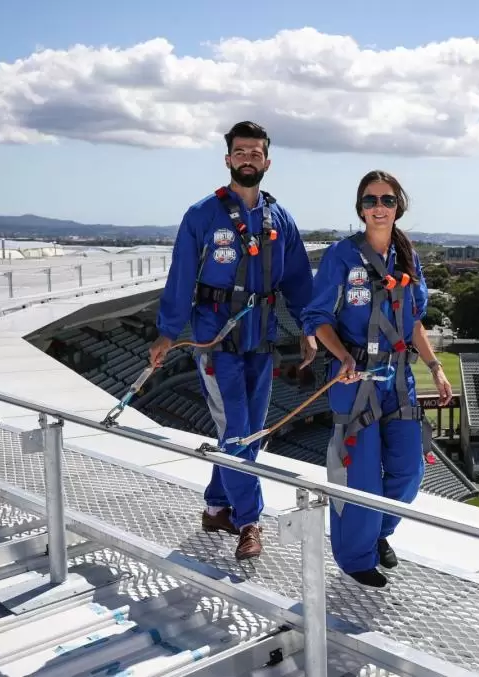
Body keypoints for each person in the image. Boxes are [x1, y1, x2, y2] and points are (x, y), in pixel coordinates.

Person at [149, 121, 317, 561]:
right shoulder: (202, 215)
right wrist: (168, 333)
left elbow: (299, 280)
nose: (248, 158)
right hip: (215, 340)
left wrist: (309, 329)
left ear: (267, 161)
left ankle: (215, 507)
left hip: (260, 340)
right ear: (228, 159)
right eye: (240, 151)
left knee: (247, 435)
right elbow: (181, 278)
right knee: (239, 433)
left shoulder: (280, 219)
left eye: (255, 152)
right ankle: (249, 521)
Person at [302, 170, 452, 588]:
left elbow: (414, 322)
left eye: (386, 200)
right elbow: (316, 318)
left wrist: (436, 368)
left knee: (408, 471)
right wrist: (340, 356)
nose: (379, 207)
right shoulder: (341, 256)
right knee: (360, 474)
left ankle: (380, 534)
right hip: (356, 380)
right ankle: (355, 560)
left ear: (398, 205)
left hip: (400, 378)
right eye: (370, 201)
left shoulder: (408, 257)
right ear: (360, 208)